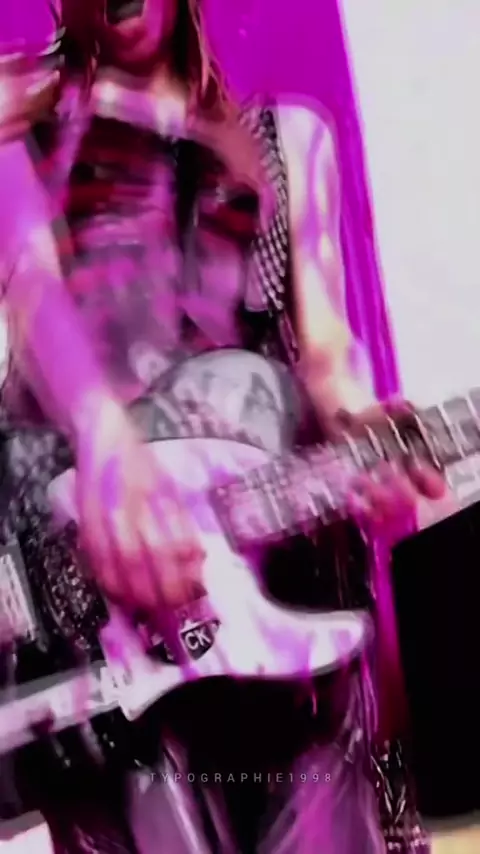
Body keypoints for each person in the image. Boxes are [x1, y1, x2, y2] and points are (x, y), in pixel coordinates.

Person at [0, 1, 444, 852]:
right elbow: (33, 289)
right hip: (107, 644)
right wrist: (101, 439)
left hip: (287, 616)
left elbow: (326, 357)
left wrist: (365, 437)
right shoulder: (19, 131)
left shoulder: (288, 138)